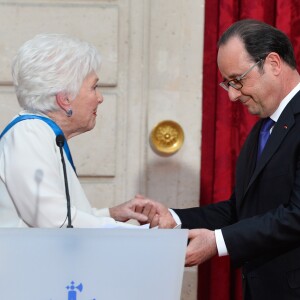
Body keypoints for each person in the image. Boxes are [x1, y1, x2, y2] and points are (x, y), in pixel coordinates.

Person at [136, 19, 300, 300]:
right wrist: (174, 219)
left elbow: (297, 215)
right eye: (228, 84)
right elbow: (242, 210)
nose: (233, 95)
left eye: (238, 80)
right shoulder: (264, 127)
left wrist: (217, 242)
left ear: (273, 63)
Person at [0, 33, 153, 228]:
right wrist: (139, 235)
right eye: (93, 87)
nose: (100, 98)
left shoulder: (41, 132)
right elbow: (54, 221)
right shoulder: (29, 133)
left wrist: (111, 214)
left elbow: (61, 217)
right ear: (64, 99)